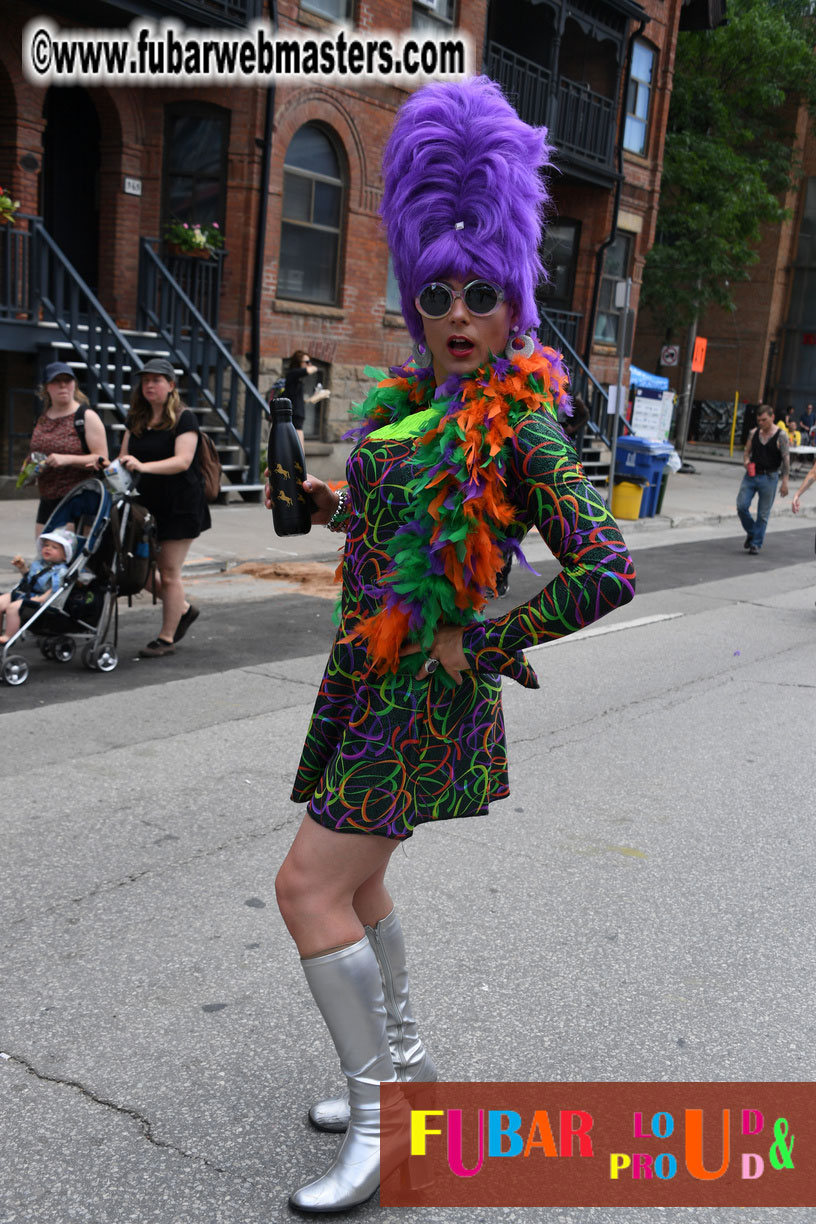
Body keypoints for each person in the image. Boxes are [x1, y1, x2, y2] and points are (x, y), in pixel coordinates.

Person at [268, 77, 636, 1214]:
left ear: (512, 301)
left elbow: (610, 567)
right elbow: (393, 524)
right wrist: (329, 505)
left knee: (305, 889)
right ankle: (412, 1069)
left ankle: (383, 1123)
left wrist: (486, 640)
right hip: (363, 676)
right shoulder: (412, 408)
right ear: (418, 300)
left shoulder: (518, 425)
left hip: (421, 695)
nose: (461, 312)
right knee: (362, 886)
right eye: (441, 293)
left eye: (484, 294)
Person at [118, 358, 210, 657]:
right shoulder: (136, 420)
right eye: (145, 380)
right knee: (140, 571)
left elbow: (182, 461)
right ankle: (181, 608)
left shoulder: (185, 419)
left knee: (169, 573)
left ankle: (166, 638)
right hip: (145, 508)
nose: (150, 385)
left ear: (171, 385)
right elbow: (123, 459)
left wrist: (143, 465)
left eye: (157, 380)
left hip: (180, 506)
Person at [29, 362, 108, 536]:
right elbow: (35, 453)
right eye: (56, 381)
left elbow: (103, 460)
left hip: (79, 498)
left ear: (75, 385)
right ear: (47, 387)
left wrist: (67, 459)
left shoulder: (85, 417)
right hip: (49, 498)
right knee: (45, 556)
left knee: (69, 558)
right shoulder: (42, 418)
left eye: (67, 380)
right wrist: (29, 471)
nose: (63, 385)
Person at [0, 528, 74, 643]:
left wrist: (41, 599)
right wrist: (23, 568)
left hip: (42, 599)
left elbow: (54, 590)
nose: (48, 548)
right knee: (1, 601)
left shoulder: (61, 572)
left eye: (54, 547)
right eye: (46, 545)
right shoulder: (39, 564)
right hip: (27, 593)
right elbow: (31, 579)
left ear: (65, 556)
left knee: (12, 608)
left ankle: (9, 636)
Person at [737, 404, 789, 554]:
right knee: (741, 506)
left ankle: (756, 544)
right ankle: (753, 532)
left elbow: (786, 460)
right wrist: (746, 462)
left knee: (763, 514)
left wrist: (785, 482)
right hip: (751, 475)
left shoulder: (781, 436)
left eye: (764, 420)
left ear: (772, 417)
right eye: (758, 420)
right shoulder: (754, 433)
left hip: (769, 477)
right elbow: (746, 453)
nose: (761, 423)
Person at [283, 350, 318, 446]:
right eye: (307, 362)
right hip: (294, 416)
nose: (309, 364)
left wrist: (314, 398)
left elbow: (296, 398)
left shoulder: (297, 379)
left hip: (297, 416)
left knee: (296, 448)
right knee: (298, 449)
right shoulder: (293, 373)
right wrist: (313, 367)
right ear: (299, 362)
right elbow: (312, 369)